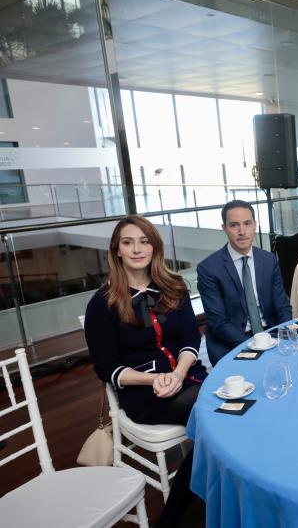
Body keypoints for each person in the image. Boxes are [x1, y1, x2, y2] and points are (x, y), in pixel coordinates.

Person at [84, 215, 207, 528]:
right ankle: (174, 518)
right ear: (117, 251)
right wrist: (154, 379)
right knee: (217, 418)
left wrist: (178, 373)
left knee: (222, 416)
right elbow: (106, 368)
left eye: (144, 241)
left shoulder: (174, 286)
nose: (137, 249)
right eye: (128, 242)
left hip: (188, 377)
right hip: (143, 393)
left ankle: (181, 512)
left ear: (154, 247)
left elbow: (191, 337)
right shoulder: (102, 303)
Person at [197, 200, 292, 365]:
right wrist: (256, 346)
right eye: (234, 225)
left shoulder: (268, 260)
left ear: (255, 225)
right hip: (232, 343)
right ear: (224, 228)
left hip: (270, 335)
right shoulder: (209, 269)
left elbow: (282, 306)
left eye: (247, 223)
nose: (242, 231)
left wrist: (284, 337)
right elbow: (219, 323)